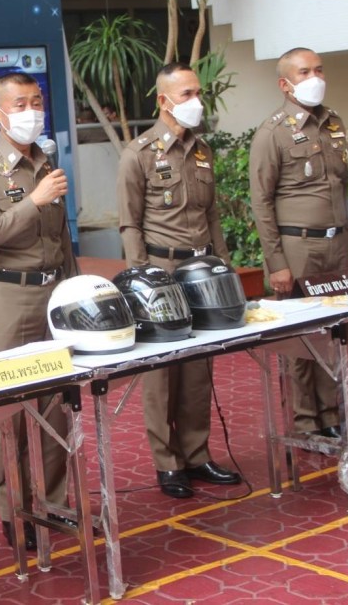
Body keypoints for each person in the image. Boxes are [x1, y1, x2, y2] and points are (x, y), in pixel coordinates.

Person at [0, 72, 77, 549]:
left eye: (36, 102)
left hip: (54, 294)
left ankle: (51, 503)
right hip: (10, 298)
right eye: (20, 104)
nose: (31, 112)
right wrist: (32, 202)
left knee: (56, 407)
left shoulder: (46, 160)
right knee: (12, 409)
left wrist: (74, 291)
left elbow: (61, 236)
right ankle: (15, 511)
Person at [116, 63, 242, 498]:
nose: (196, 102)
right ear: (163, 100)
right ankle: (168, 463)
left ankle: (197, 454)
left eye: (197, 93)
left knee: (197, 368)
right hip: (161, 272)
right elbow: (129, 223)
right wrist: (140, 282)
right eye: (186, 94)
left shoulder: (202, 151)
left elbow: (212, 216)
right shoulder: (139, 153)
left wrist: (224, 267)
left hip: (202, 271)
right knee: (162, 374)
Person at [249, 47, 348, 438]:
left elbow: (341, 188)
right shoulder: (272, 132)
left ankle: (331, 416)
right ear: (285, 84)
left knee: (334, 331)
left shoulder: (334, 123)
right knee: (302, 337)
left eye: (319, 70)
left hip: (335, 243)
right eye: (305, 72)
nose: (315, 78)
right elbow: (261, 202)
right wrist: (276, 262)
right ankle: (306, 421)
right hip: (298, 247)